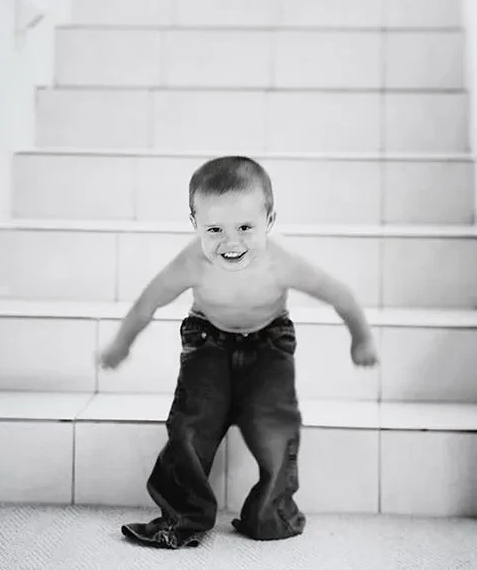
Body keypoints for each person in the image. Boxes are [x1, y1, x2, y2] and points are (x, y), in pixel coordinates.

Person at [99, 155, 378, 549]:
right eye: (214, 229)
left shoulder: (282, 262)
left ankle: (271, 513)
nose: (231, 242)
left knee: (275, 428)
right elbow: (149, 302)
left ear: (270, 220)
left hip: (268, 343)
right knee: (190, 426)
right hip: (208, 341)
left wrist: (361, 339)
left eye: (245, 227)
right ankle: (181, 516)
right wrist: (121, 345)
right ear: (194, 223)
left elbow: (340, 295)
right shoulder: (191, 262)